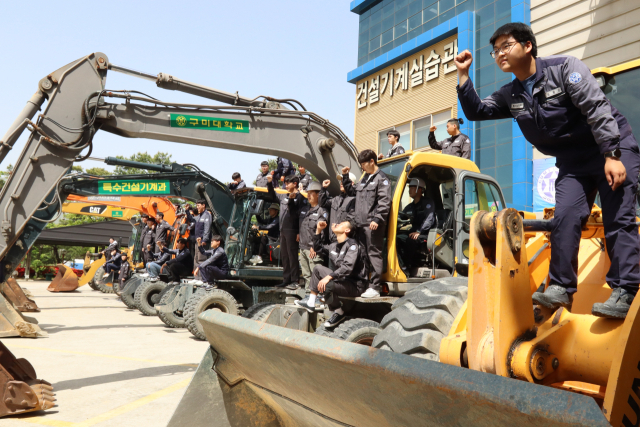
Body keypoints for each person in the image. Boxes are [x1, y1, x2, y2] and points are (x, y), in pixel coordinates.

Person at [456, 22, 640, 318]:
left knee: (618, 216)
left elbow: (596, 109)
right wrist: (464, 75)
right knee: (565, 217)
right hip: (572, 161)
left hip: (609, 146)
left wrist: (612, 154)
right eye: (495, 50)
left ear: (527, 46)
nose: (500, 53)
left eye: (507, 46)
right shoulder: (511, 94)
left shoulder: (565, 69)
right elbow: (477, 110)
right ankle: (562, 289)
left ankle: (625, 290)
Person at [295, 219, 368, 328]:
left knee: (327, 284)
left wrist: (328, 277)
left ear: (347, 230)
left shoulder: (353, 245)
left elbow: (347, 267)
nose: (337, 224)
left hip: (355, 285)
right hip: (342, 281)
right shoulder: (334, 245)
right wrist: (318, 231)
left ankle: (338, 312)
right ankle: (311, 302)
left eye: (342, 224)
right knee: (318, 268)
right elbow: (318, 248)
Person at [342, 149, 392, 298]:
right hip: (361, 224)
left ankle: (375, 287)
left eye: (363, 164)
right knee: (363, 255)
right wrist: (345, 176)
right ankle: (364, 284)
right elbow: (352, 192)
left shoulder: (382, 179)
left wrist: (377, 219)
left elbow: (385, 201)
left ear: (372, 161)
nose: (362, 167)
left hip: (372, 224)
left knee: (374, 253)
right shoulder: (365, 178)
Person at [267, 174, 304, 288]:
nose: (286, 185)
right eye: (285, 183)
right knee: (285, 255)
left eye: (288, 183)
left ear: (295, 184)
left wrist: (299, 232)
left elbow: (299, 216)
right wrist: (269, 183)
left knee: (292, 255)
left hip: (292, 230)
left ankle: (294, 280)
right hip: (282, 230)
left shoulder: (300, 197)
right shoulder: (284, 196)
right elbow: (272, 196)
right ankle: (286, 279)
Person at [396, 178, 436, 272]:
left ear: (420, 189)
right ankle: (402, 265)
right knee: (396, 238)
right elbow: (400, 216)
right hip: (413, 232)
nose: (409, 190)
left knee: (410, 240)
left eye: (412, 187)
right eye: (409, 187)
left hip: (425, 233)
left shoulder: (428, 203)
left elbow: (429, 219)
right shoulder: (410, 206)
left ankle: (407, 266)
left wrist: (419, 231)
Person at [295, 181, 329, 291]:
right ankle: (308, 297)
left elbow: (322, 231)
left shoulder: (322, 211)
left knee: (315, 276)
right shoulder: (306, 209)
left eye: (311, 193)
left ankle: (317, 298)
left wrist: (315, 246)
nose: (308, 196)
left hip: (313, 249)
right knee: (306, 275)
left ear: (318, 194)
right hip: (303, 247)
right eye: (307, 193)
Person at [319, 173, 356, 243]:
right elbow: (322, 203)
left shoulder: (354, 200)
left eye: (344, 181)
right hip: (332, 240)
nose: (341, 183)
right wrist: (323, 189)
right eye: (341, 181)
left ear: (352, 183)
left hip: (344, 241)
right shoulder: (336, 199)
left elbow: (350, 221)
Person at [185, 200, 213, 278]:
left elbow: (207, 229)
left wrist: (205, 240)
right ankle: (197, 278)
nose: (197, 207)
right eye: (196, 206)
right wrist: (187, 211)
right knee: (196, 259)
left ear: (203, 205)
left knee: (202, 259)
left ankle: (202, 278)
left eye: (198, 205)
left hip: (202, 242)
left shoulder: (207, 215)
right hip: (197, 241)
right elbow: (191, 219)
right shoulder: (199, 216)